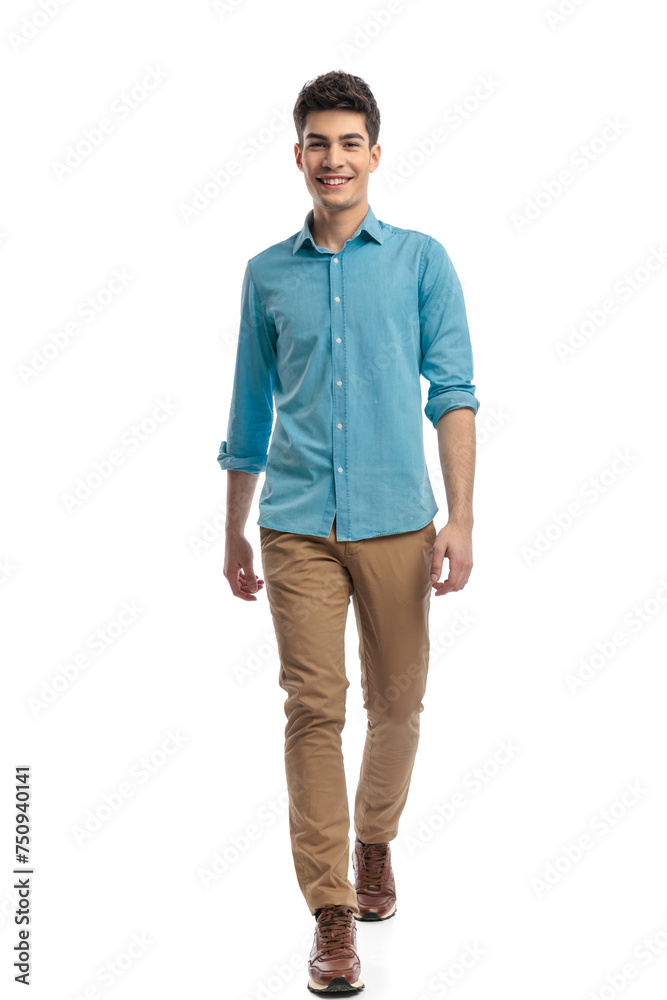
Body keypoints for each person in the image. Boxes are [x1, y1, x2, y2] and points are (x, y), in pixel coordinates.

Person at [218, 69, 479, 995]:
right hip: (294, 524)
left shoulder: (420, 262)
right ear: (297, 155)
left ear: (374, 153)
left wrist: (460, 518)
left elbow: (453, 393)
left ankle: (375, 842)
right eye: (318, 144)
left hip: (398, 522)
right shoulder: (266, 274)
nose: (333, 159)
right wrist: (234, 531)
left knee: (398, 704)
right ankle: (331, 912)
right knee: (312, 707)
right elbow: (249, 413)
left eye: (349, 143)